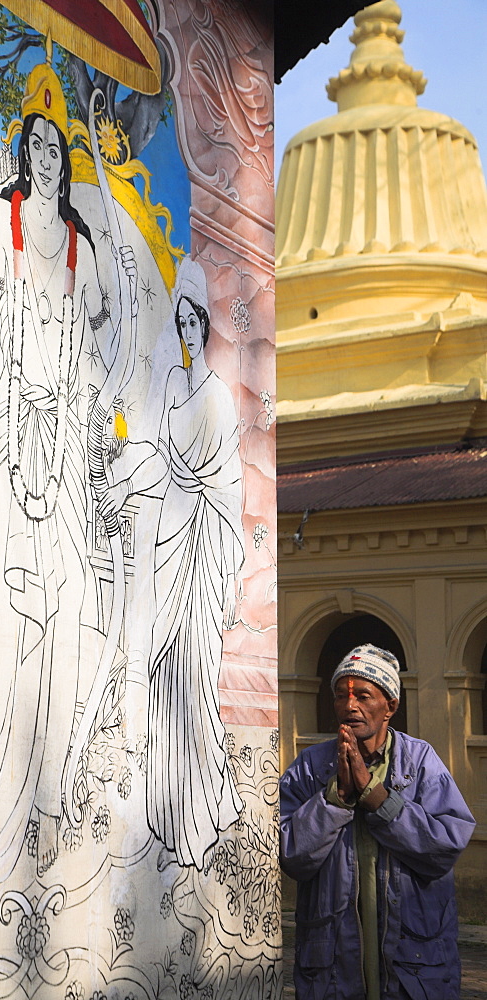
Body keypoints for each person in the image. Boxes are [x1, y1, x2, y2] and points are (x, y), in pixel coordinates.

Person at [0, 59, 137, 905]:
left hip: (66, 442)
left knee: (70, 621)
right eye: (39, 144)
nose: (50, 155)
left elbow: (103, 334)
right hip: (10, 433)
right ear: (23, 155)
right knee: (2, 623)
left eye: (61, 146)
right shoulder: (5, 219)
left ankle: (55, 796)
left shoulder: (82, 243)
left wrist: (97, 436)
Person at [99, 258, 244, 869]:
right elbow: (152, 454)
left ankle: (201, 819)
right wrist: (119, 477)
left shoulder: (217, 397)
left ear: (206, 327)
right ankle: (166, 817)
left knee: (192, 687)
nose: (186, 329)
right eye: (179, 319)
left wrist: (212, 545)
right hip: (165, 548)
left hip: (200, 554)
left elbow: (227, 486)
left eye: (194, 321)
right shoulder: (168, 391)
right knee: (161, 685)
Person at [280, 643, 476, 1000]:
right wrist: (336, 797)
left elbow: (445, 846)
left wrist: (375, 795)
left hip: (414, 971)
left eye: (363, 696)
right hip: (332, 971)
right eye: (341, 696)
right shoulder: (309, 767)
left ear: (390, 706)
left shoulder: (420, 762)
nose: (349, 706)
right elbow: (291, 854)